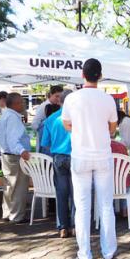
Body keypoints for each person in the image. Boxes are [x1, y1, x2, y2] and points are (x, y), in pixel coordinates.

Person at [61, 58, 118, 259]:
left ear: (82, 75)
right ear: (100, 76)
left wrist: (79, 127)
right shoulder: (108, 99)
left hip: (81, 156)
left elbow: (66, 123)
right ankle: (109, 255)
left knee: (82, 208)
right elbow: (112, 129)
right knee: (106, 206)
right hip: (102, 155)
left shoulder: (72, 99)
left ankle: (84, 258)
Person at [42, 90, 74, 238]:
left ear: (59, 101)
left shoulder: (50, 119)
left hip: (58, 157)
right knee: (76, 194)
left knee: (61, 193)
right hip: (74, 156)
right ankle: (75, 225)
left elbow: (45, 144)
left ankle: (62, 227)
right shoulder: (76, 118)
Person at [0, 92, 31, 223]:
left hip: (7, 155)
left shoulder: (6, 115)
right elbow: (13, 140)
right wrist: (22, 151)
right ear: (16, 103)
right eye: (22, 102)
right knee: (19, 186)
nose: (23, 104)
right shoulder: (13, 118)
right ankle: (16, 215)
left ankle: (8, 212)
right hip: (15, 156)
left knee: (9, 186)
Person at [32, 85, 63, 152]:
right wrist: (45, 127)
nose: (58, 99)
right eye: (56, 96)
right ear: (51, 94)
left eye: (60, 97)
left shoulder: (59, 106)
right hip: (45, 143)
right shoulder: (44, 107)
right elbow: (34, 124)